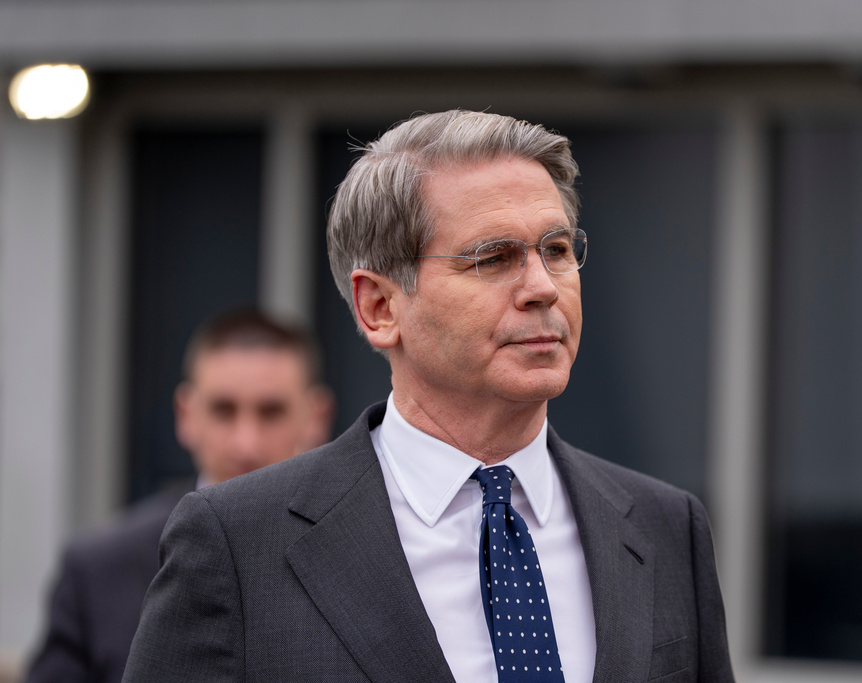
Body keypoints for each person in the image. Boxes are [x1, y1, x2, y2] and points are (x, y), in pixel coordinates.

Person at [123, 110, 735, 682]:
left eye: (555, 250)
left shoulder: (666, 528)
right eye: (493, 258)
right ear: (379, 307)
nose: (543, 287)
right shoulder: (235, 543)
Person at [24, 309, 334, 683]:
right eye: (223, 410)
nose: (246, 443)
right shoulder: (98, 570)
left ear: (316, 417)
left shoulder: (354, 554)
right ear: (185, 415)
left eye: (271, 412)